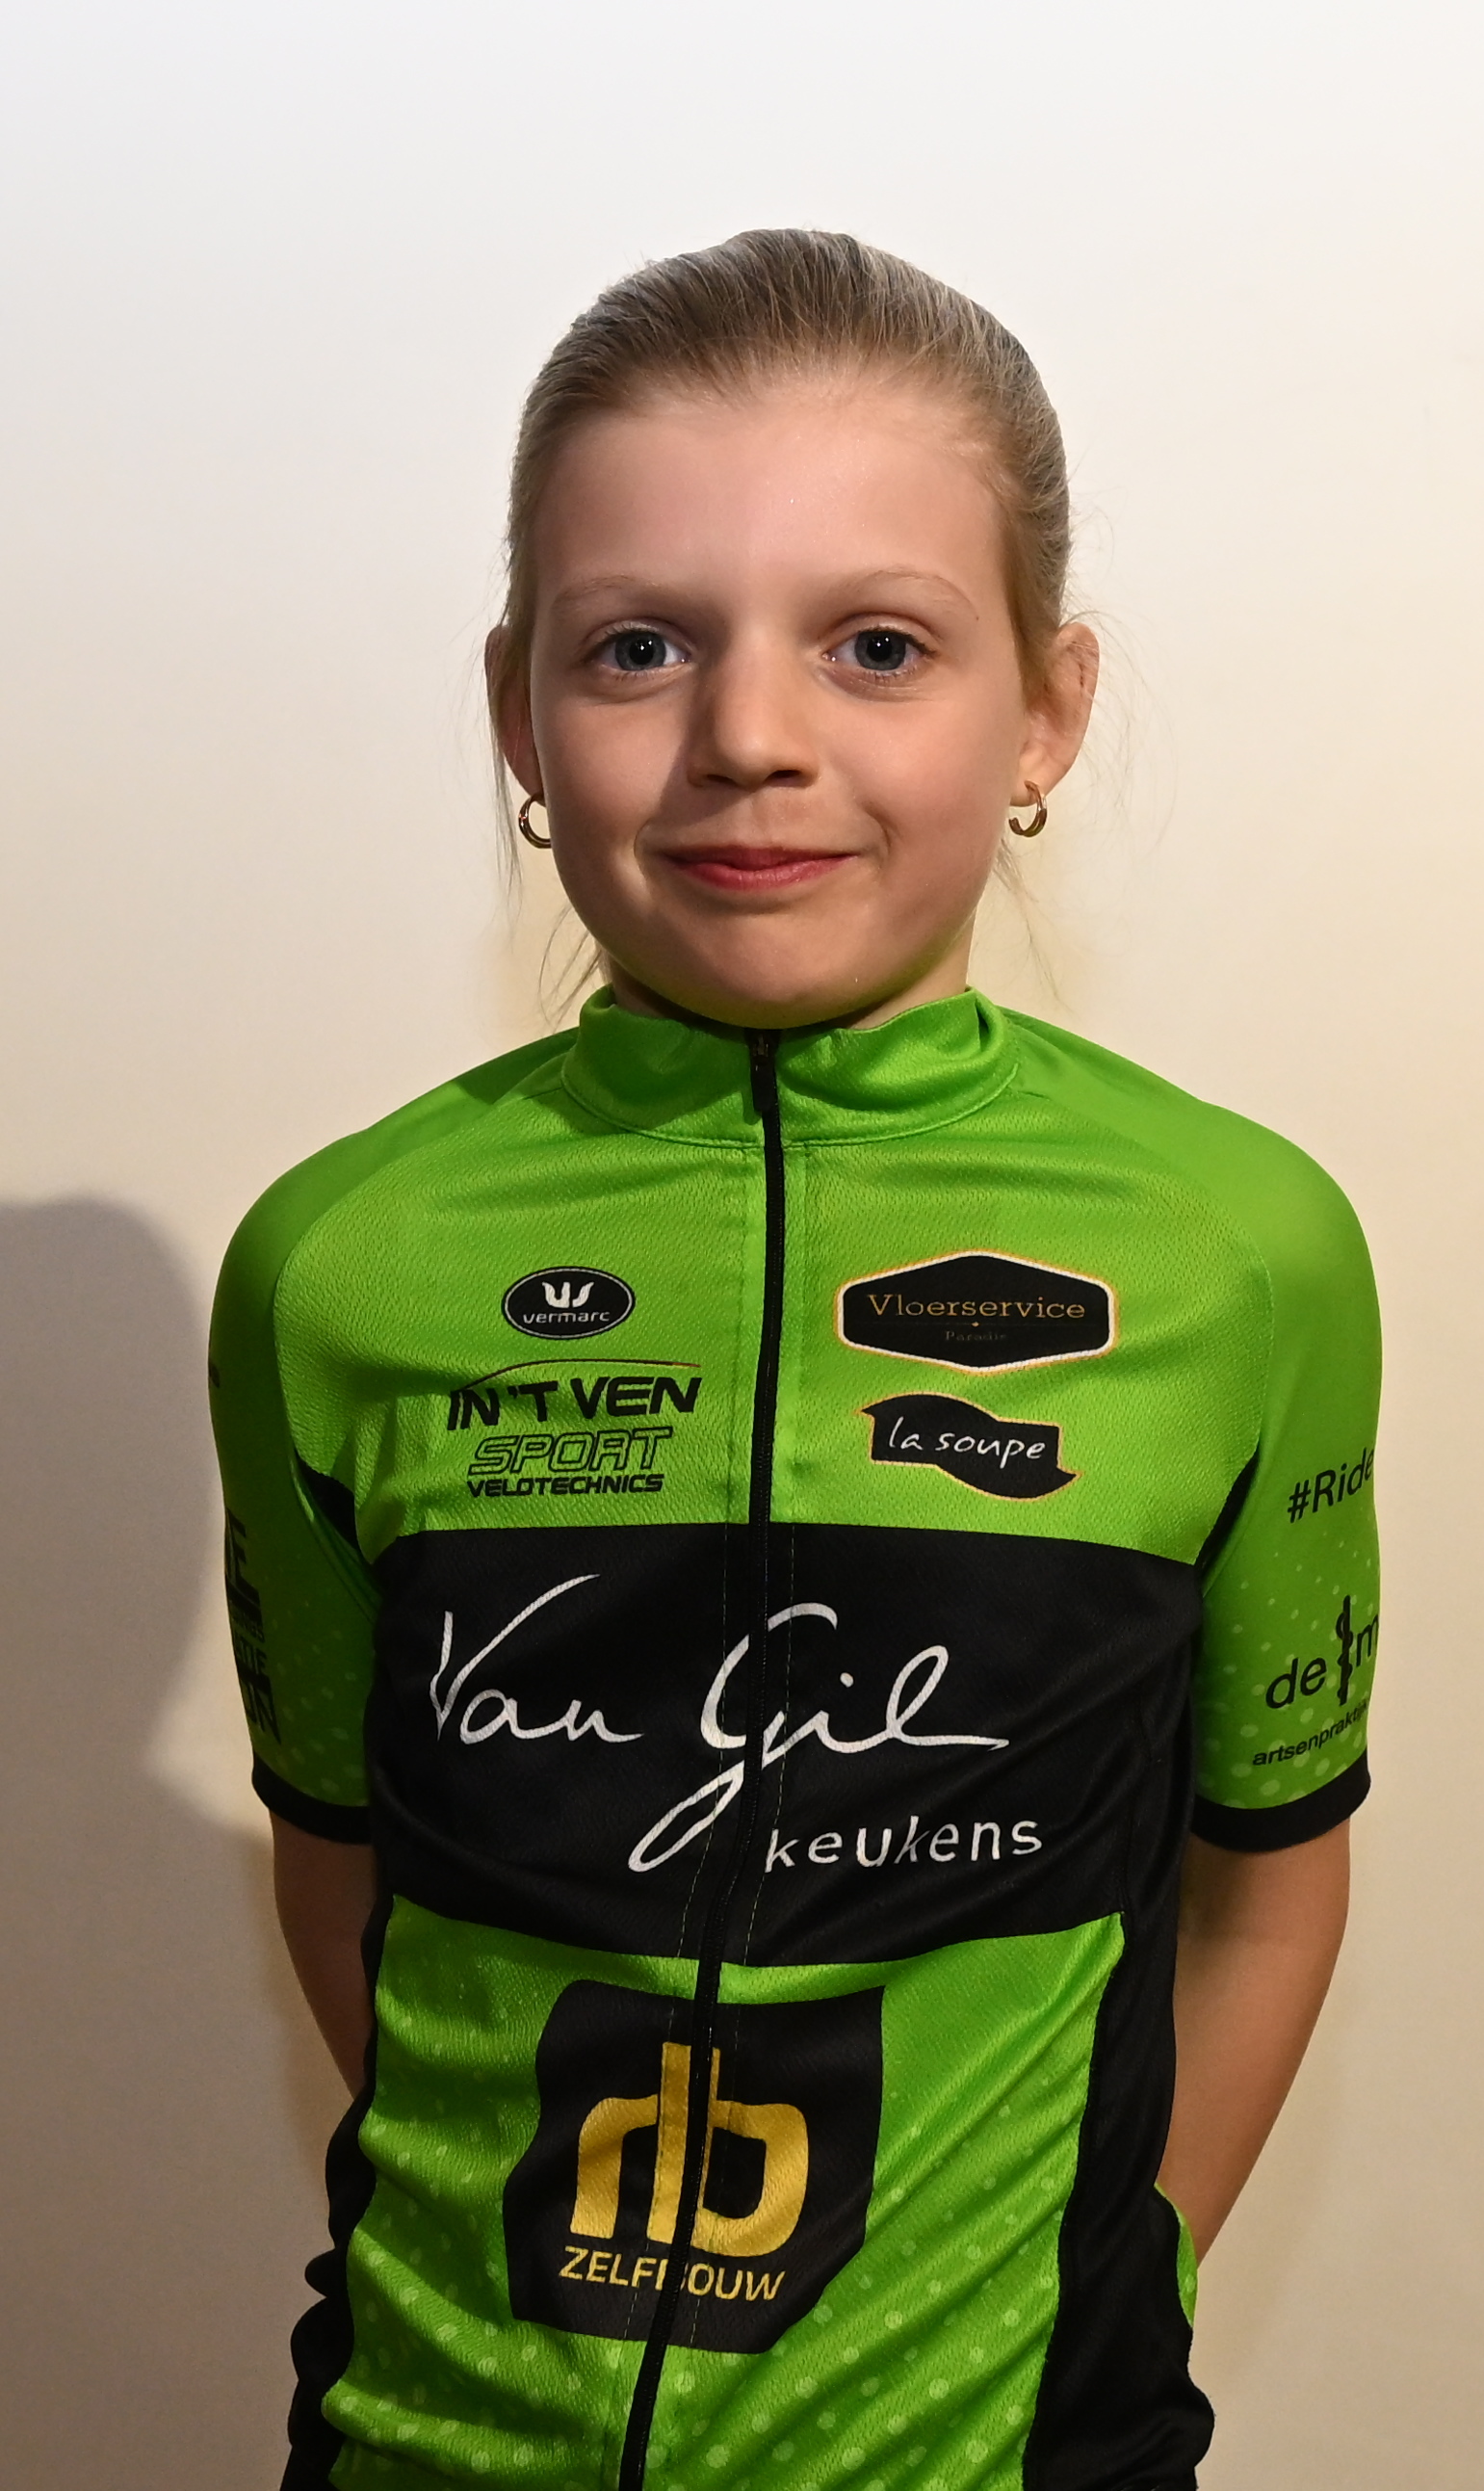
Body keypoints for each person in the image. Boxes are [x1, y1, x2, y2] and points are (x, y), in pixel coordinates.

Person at [209, 229, 1381, 2491]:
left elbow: (1271, 1875)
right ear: (517, 715)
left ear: (1043, 711)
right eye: (639, 645)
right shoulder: (337, 1265)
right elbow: (343, 1868)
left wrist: (1101, 2298)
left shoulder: (1246, 1255)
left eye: (879, 645)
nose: (751, 735)